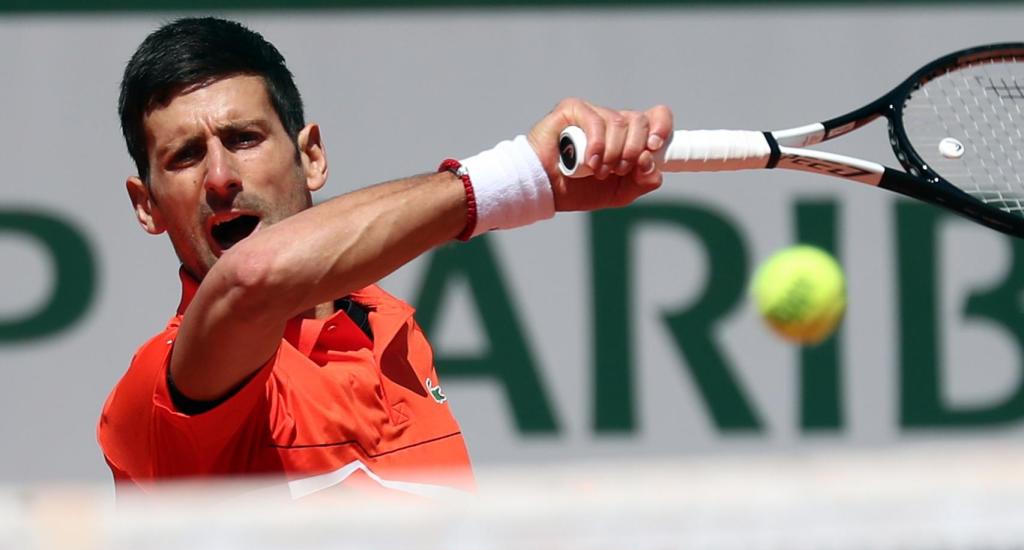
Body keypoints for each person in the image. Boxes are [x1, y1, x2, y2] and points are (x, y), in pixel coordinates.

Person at [97, 16, 673, 498]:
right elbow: (253, 280)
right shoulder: (159, 388)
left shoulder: (392, 331)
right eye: (185, 157)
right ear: (146, 206)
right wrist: (518, 179)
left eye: (244, 139)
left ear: (312, 157)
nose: (220, 178)